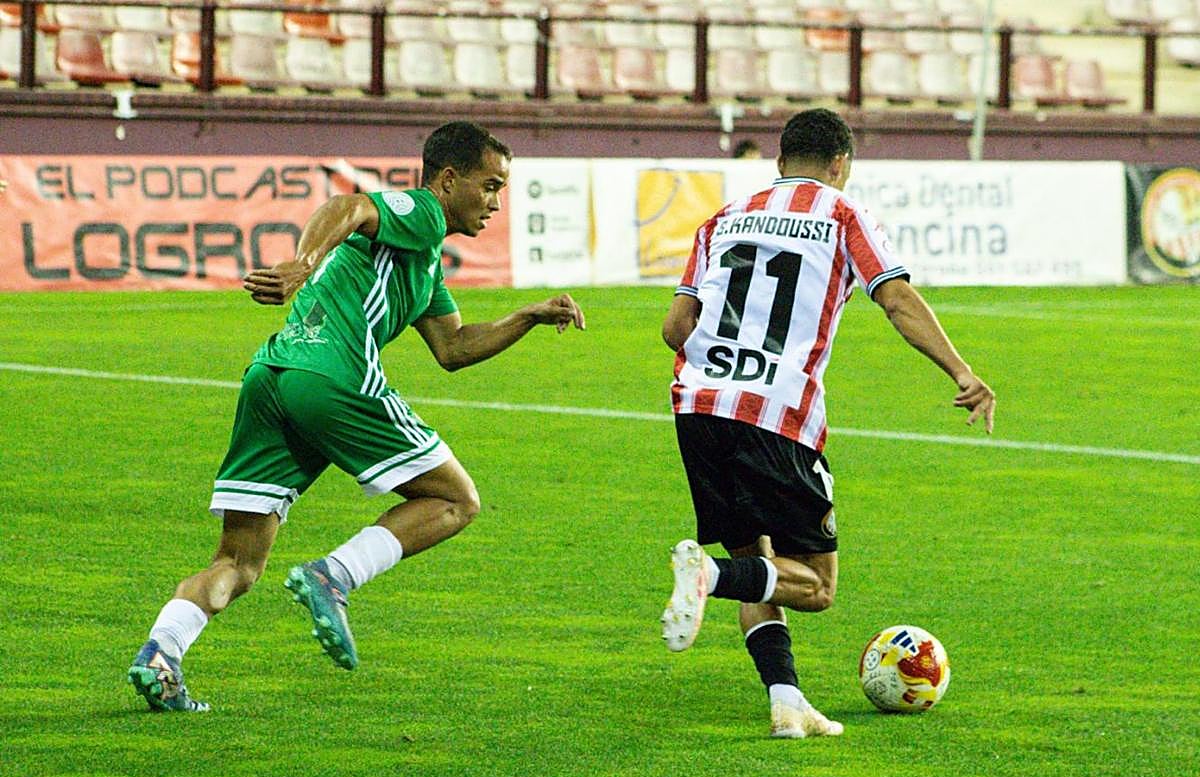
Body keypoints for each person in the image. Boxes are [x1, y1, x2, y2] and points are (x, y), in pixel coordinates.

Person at [128, 121, 585, 712]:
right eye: (490, 185)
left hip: (272, 378)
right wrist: (302, 263)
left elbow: (455, 348)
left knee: (238, 563)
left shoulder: (423, 264)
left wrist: (526, 316)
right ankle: (334, 576)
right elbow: (350, 206)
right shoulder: (421, 212)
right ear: (448, 181)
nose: (497, 202)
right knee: (455, 500)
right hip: (333, 376)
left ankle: (161, 654)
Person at [659, 109, 995, 739]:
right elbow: (895, 299)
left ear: (781, 160)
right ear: (841, 162)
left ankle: (787, 703)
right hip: (777, 414)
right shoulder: (843, 214)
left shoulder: (722, 219)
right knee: (812, 584)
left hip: (699, 406)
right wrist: (961, 371)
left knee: (760, 563)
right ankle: (707, 578)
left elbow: (676, 328)